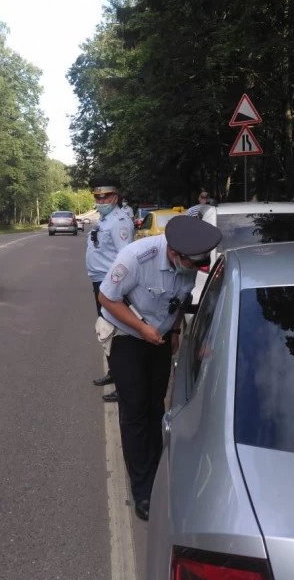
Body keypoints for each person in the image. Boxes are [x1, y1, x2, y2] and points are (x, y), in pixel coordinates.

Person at [97, 214, 222, 520]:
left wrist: (175, 331)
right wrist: (141, 328)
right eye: (190, 264)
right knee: (135, 411)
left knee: (155, 406)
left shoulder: (189, 261)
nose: (193, 269)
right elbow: (106, 298)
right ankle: (143, 491)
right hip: (127, 336)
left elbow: (178, 301)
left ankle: (156, 472)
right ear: (174, 254)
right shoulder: (137, 257)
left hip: (160, 338)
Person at [86, 175, 134, 403]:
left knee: (116, 334)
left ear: (114, 197)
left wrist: (116, 289)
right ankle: (114, 373)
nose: (99, 201)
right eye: (97, 197)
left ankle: (124, 383)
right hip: (100, 282)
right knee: (106, 330)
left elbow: (126, 258)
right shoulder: (106, 220)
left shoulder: (120, 221)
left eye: (103, 197)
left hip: (110, 285)